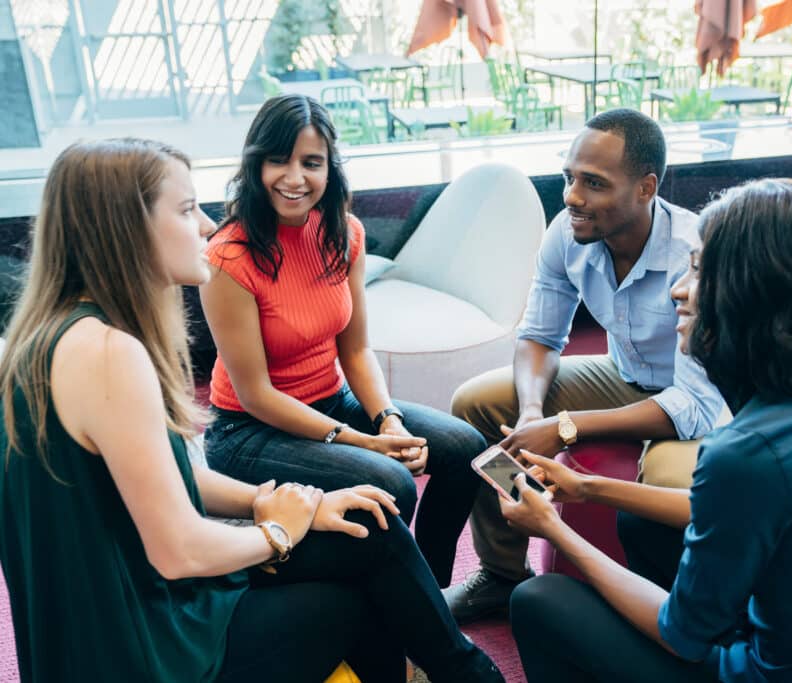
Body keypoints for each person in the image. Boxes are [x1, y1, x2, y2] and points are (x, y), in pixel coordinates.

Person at [0, 138, 503, 683]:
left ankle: (457, 670)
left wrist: (280, 502)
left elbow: (168, 477)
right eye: (188, 208)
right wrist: (276, 534)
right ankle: (465, 672)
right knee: (359, 590)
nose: (207, 227)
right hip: (139, 642)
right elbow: (179, 552)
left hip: (108, 614)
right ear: (124, 226)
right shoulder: (107, 353)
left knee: (365, 524)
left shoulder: (42, 338)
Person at [501, 178, 792, 683]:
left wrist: (552, 529)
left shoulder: (751, 451)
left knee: (540, 599)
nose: (677, 290)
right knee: (640, 523)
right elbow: (754, 509)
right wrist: (589, 488)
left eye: (697, 271)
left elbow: (681, 633)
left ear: (752, 293)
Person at [444, 108, 725, 622]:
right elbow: (539, 336)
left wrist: (567, 428)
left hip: (703, 408)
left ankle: (662, 613)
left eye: (594, 183)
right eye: (570, 177)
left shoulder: (694, 253)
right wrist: (532, 413)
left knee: (671, 487)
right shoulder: (569, 233)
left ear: (645, 188)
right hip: (624, 377)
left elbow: (694, 403)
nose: (573, 196)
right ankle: (503, 575)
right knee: (475, 405)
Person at [199, 94, 486, 588]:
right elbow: (256, 394)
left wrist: (388, 419)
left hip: (329, 399)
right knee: (392, 482)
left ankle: (433, 591)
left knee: (466, 448)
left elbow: (354, 350)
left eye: (311, 163)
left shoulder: (343, 232)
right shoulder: (227, 256)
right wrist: (363, 442)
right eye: (278, 160)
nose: (295, 179)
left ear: (330, 167)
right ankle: (392, 602)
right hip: (248, 429)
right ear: (255, 165)